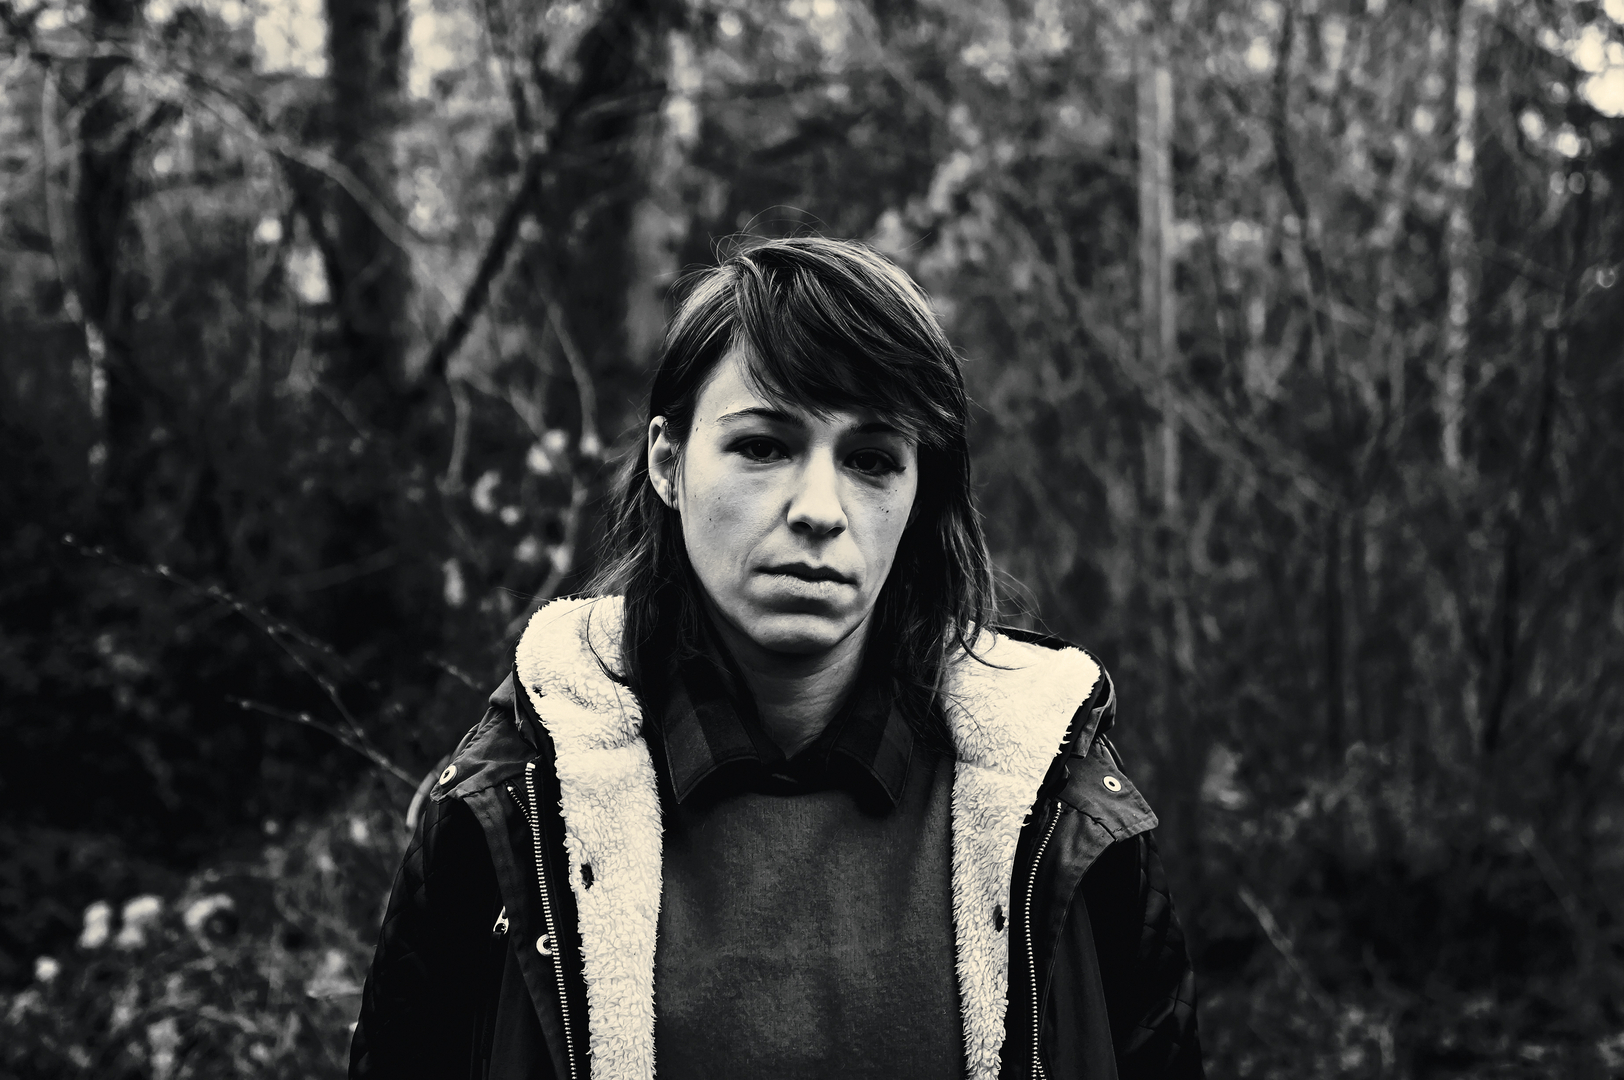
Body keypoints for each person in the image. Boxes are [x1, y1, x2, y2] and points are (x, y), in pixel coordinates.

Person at [350, 237, 1203, 1080]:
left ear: (919, 495)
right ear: (668, 462)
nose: (819, 510)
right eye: (763, 445)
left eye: (871, 461)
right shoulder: (517, 803)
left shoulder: (1054, 801)